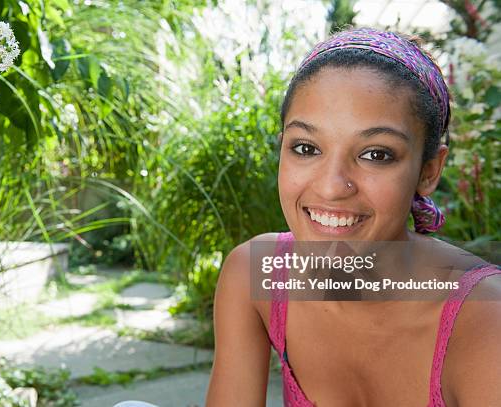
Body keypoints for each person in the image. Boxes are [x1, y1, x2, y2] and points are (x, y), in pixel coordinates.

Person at [205, 27, 501, 406]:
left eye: (376, 154)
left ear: (429, 171)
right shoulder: (256, 274)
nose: (331, 187)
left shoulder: (484, 319)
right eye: (307, 148)